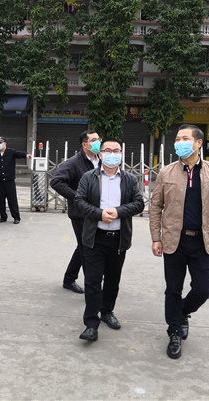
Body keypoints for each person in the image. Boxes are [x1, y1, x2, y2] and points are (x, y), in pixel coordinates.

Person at [149, 124, 209, 359]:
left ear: (198, 143)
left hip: (202, 241)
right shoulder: (166, 173)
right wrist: (156, 238)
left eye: (184, 138)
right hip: (174, 240)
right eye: (177, 139)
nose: (179, 142)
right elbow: (155, 206)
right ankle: (174, 332)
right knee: (173, 289)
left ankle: (181, 312)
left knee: (203, 289)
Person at [74, 138, 144, 342]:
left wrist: (119, 211)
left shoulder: (130, 179)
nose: (112, 154)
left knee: (113, 279)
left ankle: (107, 311)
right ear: (100, 154)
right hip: (95, 238)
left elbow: (139, 203)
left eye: (116, 150)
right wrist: (99, 214)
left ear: (121, 154)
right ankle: (91, 324)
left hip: (118, 239)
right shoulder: (89, 177)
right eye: (108, 150)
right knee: (93, 281)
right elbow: (79, 201)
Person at [50, 130, 101, 294]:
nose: (98, 142)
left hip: (97, 212)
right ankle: (93, 286)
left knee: (84, 245)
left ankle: (69, 278)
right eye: (94, 140)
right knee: (87, 248)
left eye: (99, 139)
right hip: (80, 214)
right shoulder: (73, 163)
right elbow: (56, 181)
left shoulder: (100, 159)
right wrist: (77, 197)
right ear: (84, 145)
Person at [0, 137, 32, 224]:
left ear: (4, 143)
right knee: (1, 200)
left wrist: (26, 155)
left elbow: (19, 153)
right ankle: (3, 217)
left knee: (12, 200)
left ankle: (16, 217)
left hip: (9, 181)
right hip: (0, 181)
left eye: (0, 143)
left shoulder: (10, 152)